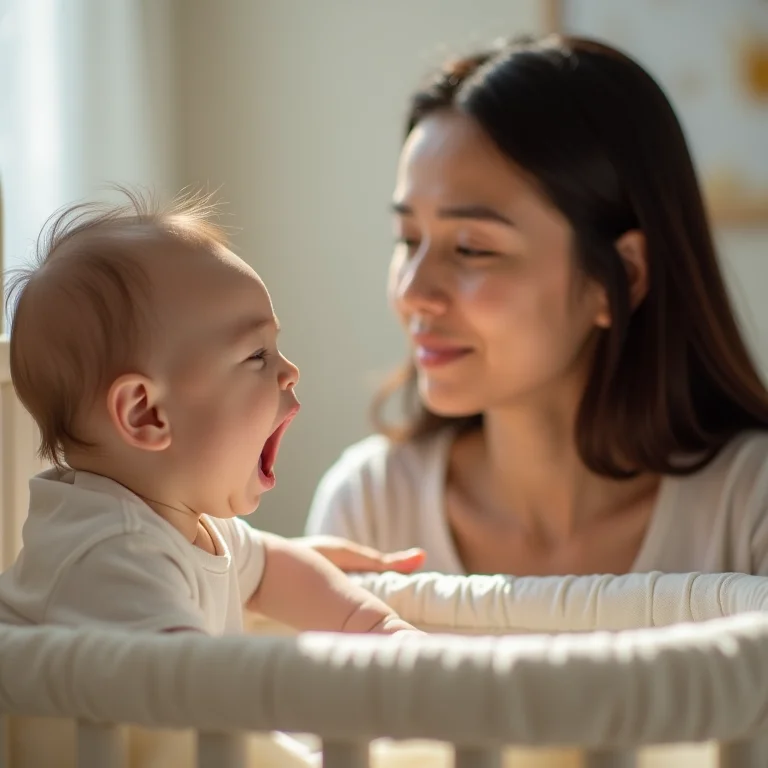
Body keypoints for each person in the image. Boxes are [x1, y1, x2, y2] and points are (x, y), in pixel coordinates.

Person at [306, 34, 768, 577]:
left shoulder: (749, 508)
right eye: (408, 239)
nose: (412, 291)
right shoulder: (369, 510)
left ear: (621, 276)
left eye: (471, 248)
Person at [0, 189, 422, 637]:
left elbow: (271, 570)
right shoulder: (112, 558)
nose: (290, 371)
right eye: (257, 355)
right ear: (146, 414)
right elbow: (187, 678)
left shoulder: (184, 520)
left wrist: (380, 628)